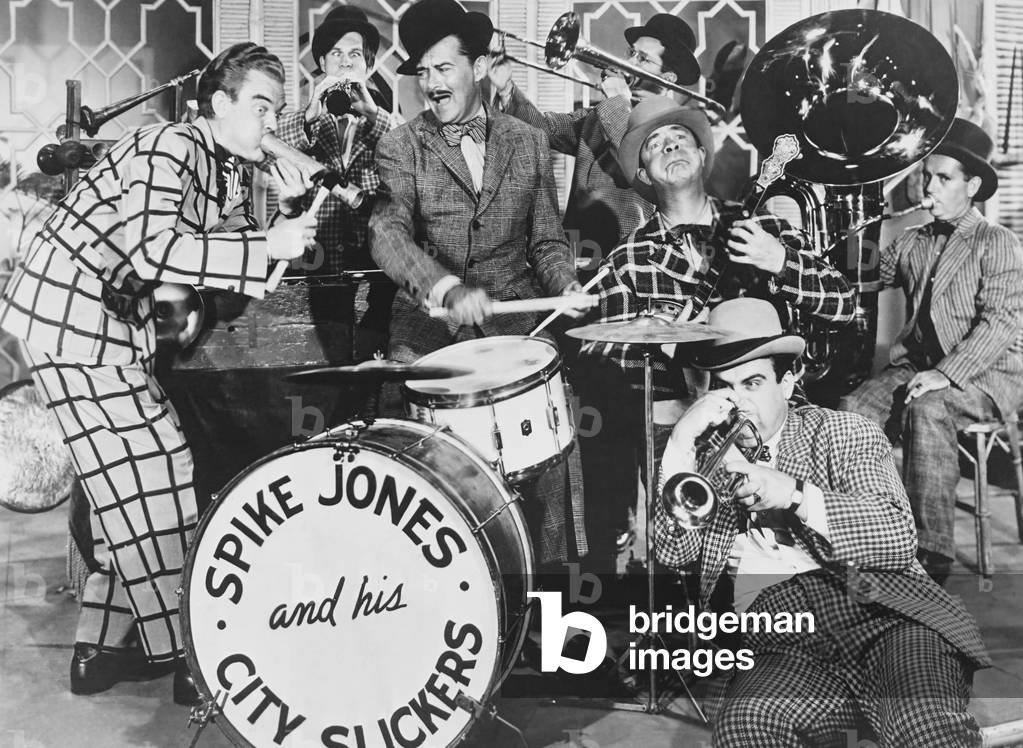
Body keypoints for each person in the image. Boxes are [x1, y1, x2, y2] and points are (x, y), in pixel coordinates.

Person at [0, 43, 315, 704]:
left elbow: (216, 265)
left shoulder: (219, 168)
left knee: (129, 490)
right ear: (216, 103)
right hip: (72, 327)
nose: (269, 123)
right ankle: (188, 658)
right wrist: (267, 244)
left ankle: (100, 651)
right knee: (161, 473)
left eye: (275, 110)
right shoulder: (169, 146)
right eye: (259, 106)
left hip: (96, 333)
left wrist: (284, 221)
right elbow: (156, 248)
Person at [655, 298, 989, 746]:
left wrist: (794, 495)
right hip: (780, 641)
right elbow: (672, 552)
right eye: (723, 387)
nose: (738, 403)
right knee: (744, 728)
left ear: (788, 381)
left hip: (884, 616)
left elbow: (896, 535)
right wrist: (679, 446)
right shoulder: (702, 460)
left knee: (922, 724)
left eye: (752, 383)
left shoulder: (842, 431)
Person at [576, 98, 855, 571]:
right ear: (643, 176)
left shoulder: (761, 228)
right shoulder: (626, 259)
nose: (670, 148)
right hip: (684, 418)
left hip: (775, 412)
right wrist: (663, 342)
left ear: (703, 155)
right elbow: (604, 350)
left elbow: (843, 305)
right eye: (656, 146)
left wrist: (779, 261)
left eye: (680, 139)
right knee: (693, 546)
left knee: (801, 547)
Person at [369, 0, 584, 565]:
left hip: (516, 321)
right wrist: (444, 289)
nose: (432, 84)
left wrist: (566, 284)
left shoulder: (529, 141)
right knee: (418, 479)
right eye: (423, 72)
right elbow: (387, 235)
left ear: (480, 66)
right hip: (428, 330)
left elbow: (546, 241)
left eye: (444, 68)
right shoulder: (400, 144)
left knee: (547, 463)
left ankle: (550, 598)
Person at [839, 118, 1023, 584]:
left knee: (928, 410)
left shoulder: (997, 242)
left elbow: (1000, 321)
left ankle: (929, 554)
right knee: (851, 410)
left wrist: (946, 373)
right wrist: (853, 230)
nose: (929, 186)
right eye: (927, 176)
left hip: (986, 374)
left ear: (973, 186)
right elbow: (863, 279)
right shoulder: (914, 240)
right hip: (918, 368)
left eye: (944, 178)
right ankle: (866, 534)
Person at [488, 13, 702, 265]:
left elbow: (639, 157)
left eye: (643, 59)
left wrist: (615, 100)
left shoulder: (674, 126)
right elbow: (542, 129)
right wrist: (506, 89)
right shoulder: (604, 113)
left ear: (668, 78)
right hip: (576, 250)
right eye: (631, 53)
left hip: (628, 260)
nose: (629, 62)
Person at [276, 5, 401, 355]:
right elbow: (273, 153)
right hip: (319, 265)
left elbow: (406, 162)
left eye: (355, 54)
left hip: (377, 267)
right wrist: (311, 115)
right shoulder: (300, 122)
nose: (345, 63)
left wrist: (374, 116)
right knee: (327, 363)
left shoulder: (387, 122)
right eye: (335, 54)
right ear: (321, 64)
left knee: (374, 360)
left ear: (370, 65)